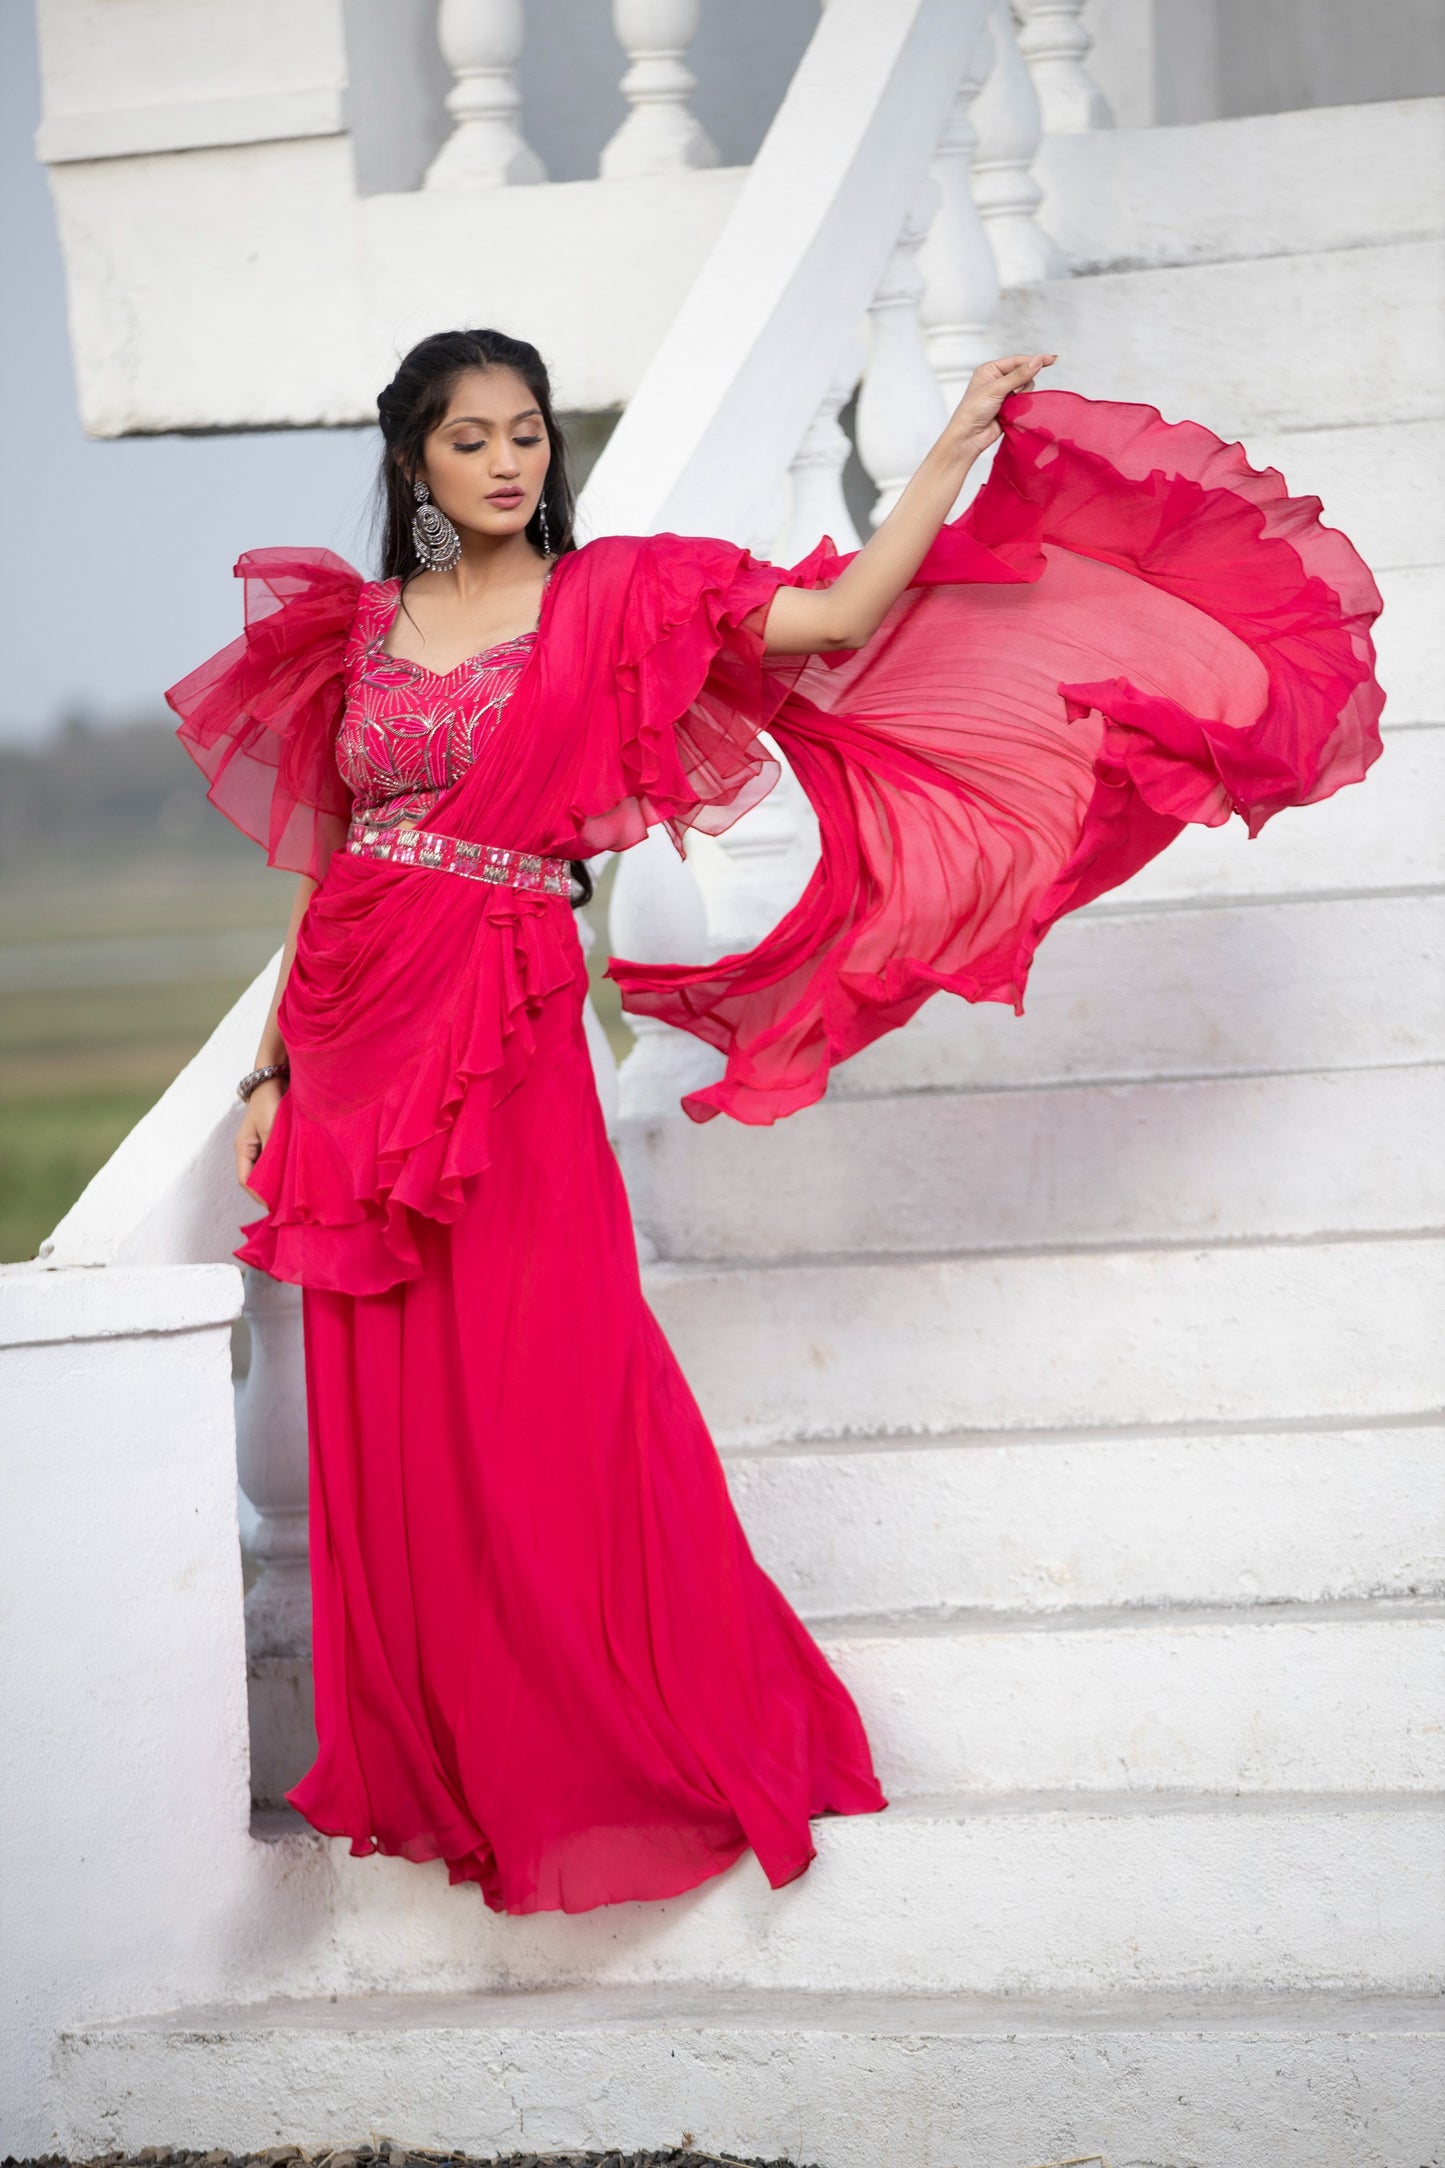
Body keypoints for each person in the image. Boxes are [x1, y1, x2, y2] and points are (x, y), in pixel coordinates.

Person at [167, 325, 1384, 1917]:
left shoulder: (616, 597)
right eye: (472, 439)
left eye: (527, 432)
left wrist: (950, 448)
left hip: (508, 1018)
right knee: (387, 1409)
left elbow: (841, 613)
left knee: (554, 1375)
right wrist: (268, 1072)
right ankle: (454, 1764)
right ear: (414, 462)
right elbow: (327, 866)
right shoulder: (358, 634)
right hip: (346, 1033)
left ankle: (624, 1743)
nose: (509, 461)